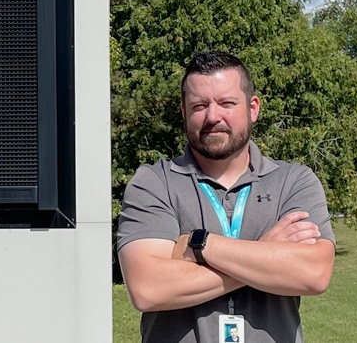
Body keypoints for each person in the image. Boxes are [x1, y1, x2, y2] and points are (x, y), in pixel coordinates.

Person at [116, 50, 336, 343]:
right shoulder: (155, 182)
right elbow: (148, 289)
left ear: (253, 108)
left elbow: (314, 274)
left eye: (227, 103)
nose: (212, 116)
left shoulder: (293, 181)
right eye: (199, 105)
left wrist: (200, 245)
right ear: (183, 111)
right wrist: (266, 255)